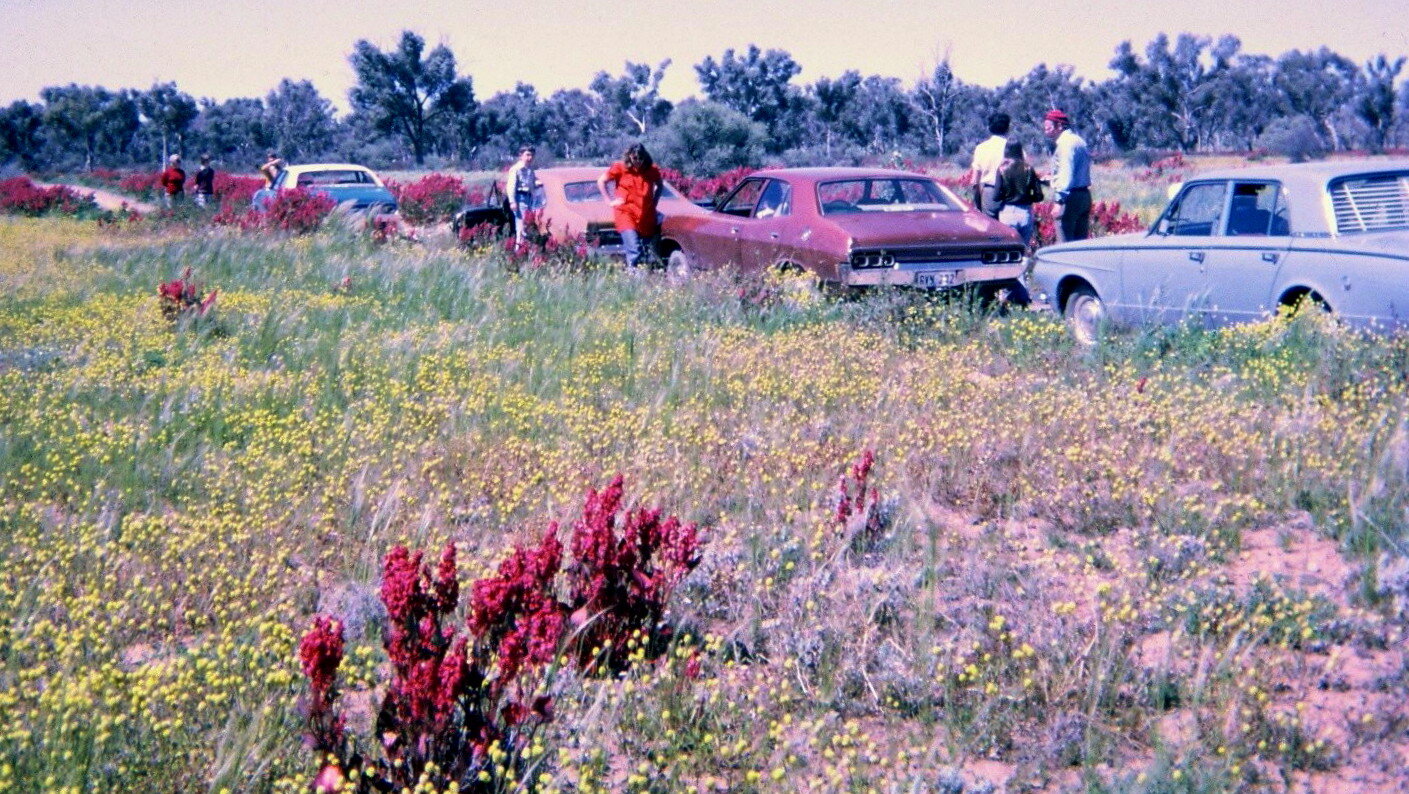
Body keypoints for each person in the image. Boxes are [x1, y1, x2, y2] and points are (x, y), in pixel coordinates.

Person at [597, 143, 664, 270]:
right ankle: (633, 276)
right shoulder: (620, 168)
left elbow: (660, 186)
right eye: (635, 158)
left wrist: (654, 202)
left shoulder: (652, 170)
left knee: (645, 250)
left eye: (640, 158)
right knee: (634, 248)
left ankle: (642, 278)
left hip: (645, 215)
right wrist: (609, 201)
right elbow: (601, 181)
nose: (638, 161)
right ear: (629, 157)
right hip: (625, 213)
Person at [1043, 109, 1091, 242]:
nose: (1045, 131)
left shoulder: (1065, 144)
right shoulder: (1079, 141)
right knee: (1080, 244)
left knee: (1064, 244)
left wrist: (1059, 201)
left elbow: (1066, 174)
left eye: (1048, 128)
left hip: (1069, 199)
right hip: (1084, 195)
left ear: (1059, 126)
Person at [991, 141, 1044, 249]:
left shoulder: (1002, 169)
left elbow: (995, 196)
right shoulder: (1029, 168)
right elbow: (1039, 196)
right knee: (1023, 250)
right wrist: (1028, 197)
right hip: (1025, 211)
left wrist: (1005, 195)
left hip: (1007, 212)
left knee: (1008, 251)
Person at [968, 112, 1009, 218]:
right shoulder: (1015, 148)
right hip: (1010, 193)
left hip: (989, 192)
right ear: (1008, 128)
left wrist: (976, 200)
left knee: (991, 226)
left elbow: (974, 180)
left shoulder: (981, 148)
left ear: (989, 128)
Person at [505, 145, 542, 245]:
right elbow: (511, 186)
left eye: (532, 155)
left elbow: (531, 182)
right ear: (521, 155)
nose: (530, 158)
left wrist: (537, 182)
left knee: (526, 225)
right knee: (521, 226)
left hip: (528, 198)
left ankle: (524, 249)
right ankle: (519, 251)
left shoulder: (530, 169)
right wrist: (512, 201)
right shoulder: (516, 169)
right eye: (527, 155)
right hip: (520, 198)